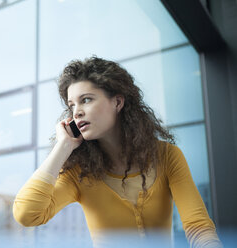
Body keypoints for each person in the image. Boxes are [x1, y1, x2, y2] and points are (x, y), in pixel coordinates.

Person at [13, 56, 222, 248]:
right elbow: (27, 214)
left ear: (118, 102)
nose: (76, 111)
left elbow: (198, 227)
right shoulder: (78, 174)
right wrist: (63, 147)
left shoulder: (167, 156)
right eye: (72, 104)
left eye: (86, 99)